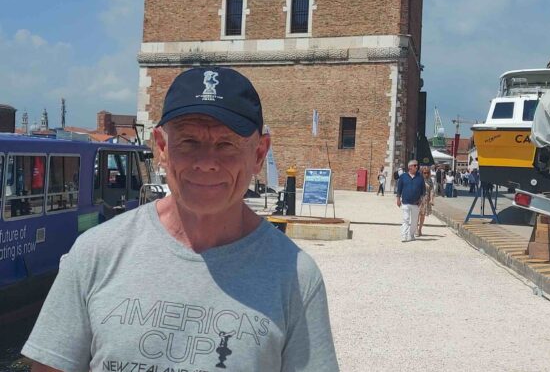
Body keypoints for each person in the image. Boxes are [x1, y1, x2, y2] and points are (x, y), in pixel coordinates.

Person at [23, 67, 339, 372]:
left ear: (258, 154)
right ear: (162, 147)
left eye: (226, 144)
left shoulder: (296, 278)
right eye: (189, 142)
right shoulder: (94, 253)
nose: (206, 162)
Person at [396, 159, 426, 242]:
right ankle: (404, 235)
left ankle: (411, 235)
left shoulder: (420, 177)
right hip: (405, 202)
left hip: (416, 203)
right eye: (415, 165)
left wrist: (421, 200)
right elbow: (399, 189)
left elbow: (423, 191)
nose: (417, 167)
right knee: (405, 219)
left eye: (417, 165)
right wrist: (398, 199)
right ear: (410, 167)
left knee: (414, 221)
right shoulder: (403, 177)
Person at [417, 166, 435, 237]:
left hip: (426, 200)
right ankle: (416, 229)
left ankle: (420, 229)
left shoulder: (430, 180)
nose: (426, 174)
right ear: (422, 173)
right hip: (418, 199)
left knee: (422, 215)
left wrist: (431, 199)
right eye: (424, 173)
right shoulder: (418, 179)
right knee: (417, 215)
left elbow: (432, 190)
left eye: (427, 173)